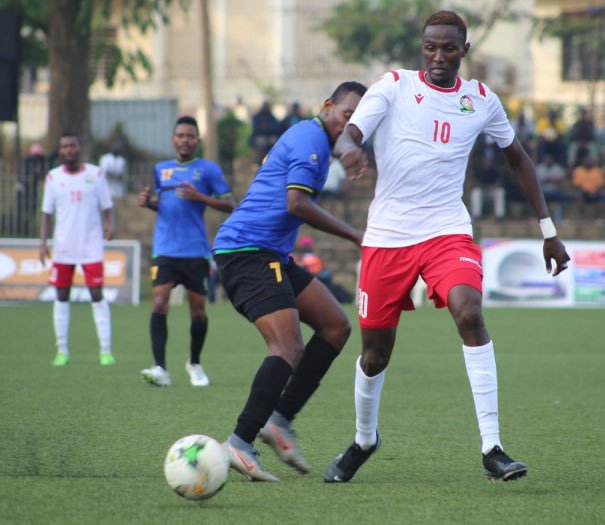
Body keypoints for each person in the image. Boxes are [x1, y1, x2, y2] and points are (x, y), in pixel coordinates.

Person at [323, 11, 570, 484]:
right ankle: (364, 440)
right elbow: (351, 131)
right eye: (431, 48)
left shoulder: (480, 100)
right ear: (422, 49)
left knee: (469, 313)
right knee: (374, 353)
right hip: (388, 237)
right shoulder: (394, 85)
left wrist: (548, 229)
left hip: (446, 231)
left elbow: (518, 158)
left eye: (448, 48)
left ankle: (492, 447)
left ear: (464, 51)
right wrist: (350, 149)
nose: (439, 57)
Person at [212, 81, 367, 481]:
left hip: (270, 253)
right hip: (247, 251)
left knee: (335, 326)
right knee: (286, 345)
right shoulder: (311, 139)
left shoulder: (313, 138)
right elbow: (295, 204)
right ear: (328, 106)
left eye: (359, 121)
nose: (351, 124)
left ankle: (279, 420)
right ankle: (240, 443)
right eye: (348, 114)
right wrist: (354, 235)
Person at [137, 116, 235, 387]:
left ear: (198, 141)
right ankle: (160, 368)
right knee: (159, 302)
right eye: (180, 136)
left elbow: (231, 205)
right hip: (165, 249)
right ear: (173, 139)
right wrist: (149, 204)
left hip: (195, 251)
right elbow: (166, 204)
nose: (185, 140)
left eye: (190, 136)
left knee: (198, 312)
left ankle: (194, 363)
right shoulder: (161, 169)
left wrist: (201, 197)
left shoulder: (208, 170)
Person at [38, 133, 115, 367]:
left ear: (79, 149)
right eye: (64, 146)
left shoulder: (96, 174)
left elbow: (108, 207)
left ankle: (105, 351)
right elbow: (47, 214)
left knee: (96, 295)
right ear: (60, 151)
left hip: (91, 247)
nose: (69, 150)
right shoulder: (53, 178)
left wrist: (110, 225)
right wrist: (43, 242)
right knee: (61, 297)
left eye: (73, 145)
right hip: (63, 249)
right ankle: (62, 351)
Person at [535, 154, 572, 221]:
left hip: (555, 191)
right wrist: (550, 179)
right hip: (543, 192)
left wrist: (550, 179)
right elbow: (537, 182)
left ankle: (559, 216)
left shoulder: (557, 168)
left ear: (552, 160)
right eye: (546, 159)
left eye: (549, 159)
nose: (548, 160)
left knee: (565, 196)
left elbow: (561, 180)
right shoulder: (539, 168)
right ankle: (540, 218)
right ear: (544, 160)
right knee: (535, 197)